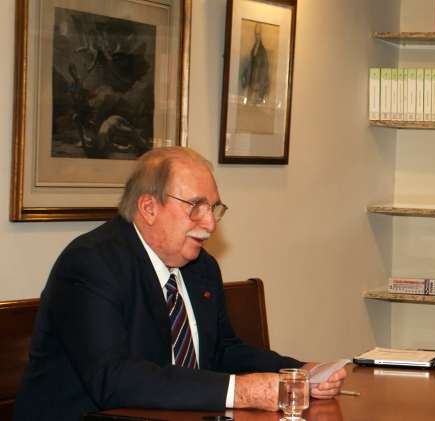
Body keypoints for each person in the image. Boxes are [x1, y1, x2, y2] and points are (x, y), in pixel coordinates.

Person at [14, 146, 346, 420]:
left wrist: (297, 373)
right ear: (148, 207)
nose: (211, 223)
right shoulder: (91, 265)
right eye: (197, 207)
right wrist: (241, 392)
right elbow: (113, 379)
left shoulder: (201, 267)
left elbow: (222, 351)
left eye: (213, 208)